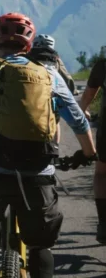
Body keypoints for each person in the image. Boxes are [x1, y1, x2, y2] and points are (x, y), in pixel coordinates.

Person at [0, 13, 97, 278]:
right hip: (37, 173)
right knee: (41, 245)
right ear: (29, 44)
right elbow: (78, 121)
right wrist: (88, 153)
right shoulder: (48, 74)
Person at [79, 57, 106, 244]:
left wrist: (82, 110)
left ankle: (104, 222)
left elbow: (88, 96)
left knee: (102, 174)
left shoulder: (103, 65)